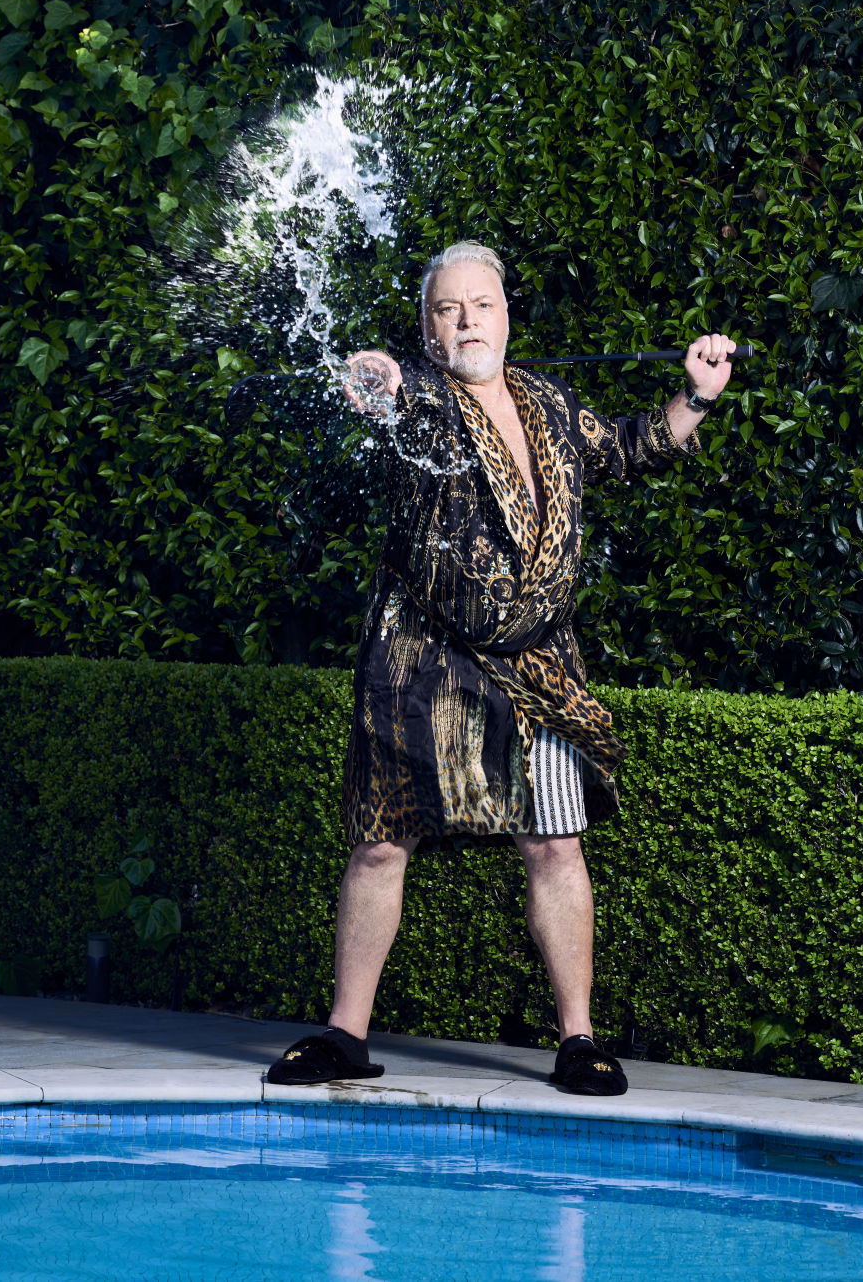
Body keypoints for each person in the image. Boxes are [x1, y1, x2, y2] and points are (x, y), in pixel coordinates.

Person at [267, 241, 736, 1095]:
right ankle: (344, 1034)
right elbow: (390, 401)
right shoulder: (428, 405)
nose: (467, 320)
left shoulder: (551, 403)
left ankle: (580, 1037)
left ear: (507, 317)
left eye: (481, 305)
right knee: (379, 844)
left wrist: (696, 395)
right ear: (429, 331)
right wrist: (377, 379)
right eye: (447, 310)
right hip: (422, 659)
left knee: (555, 842)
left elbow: (629, 448)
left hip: (538, 665)